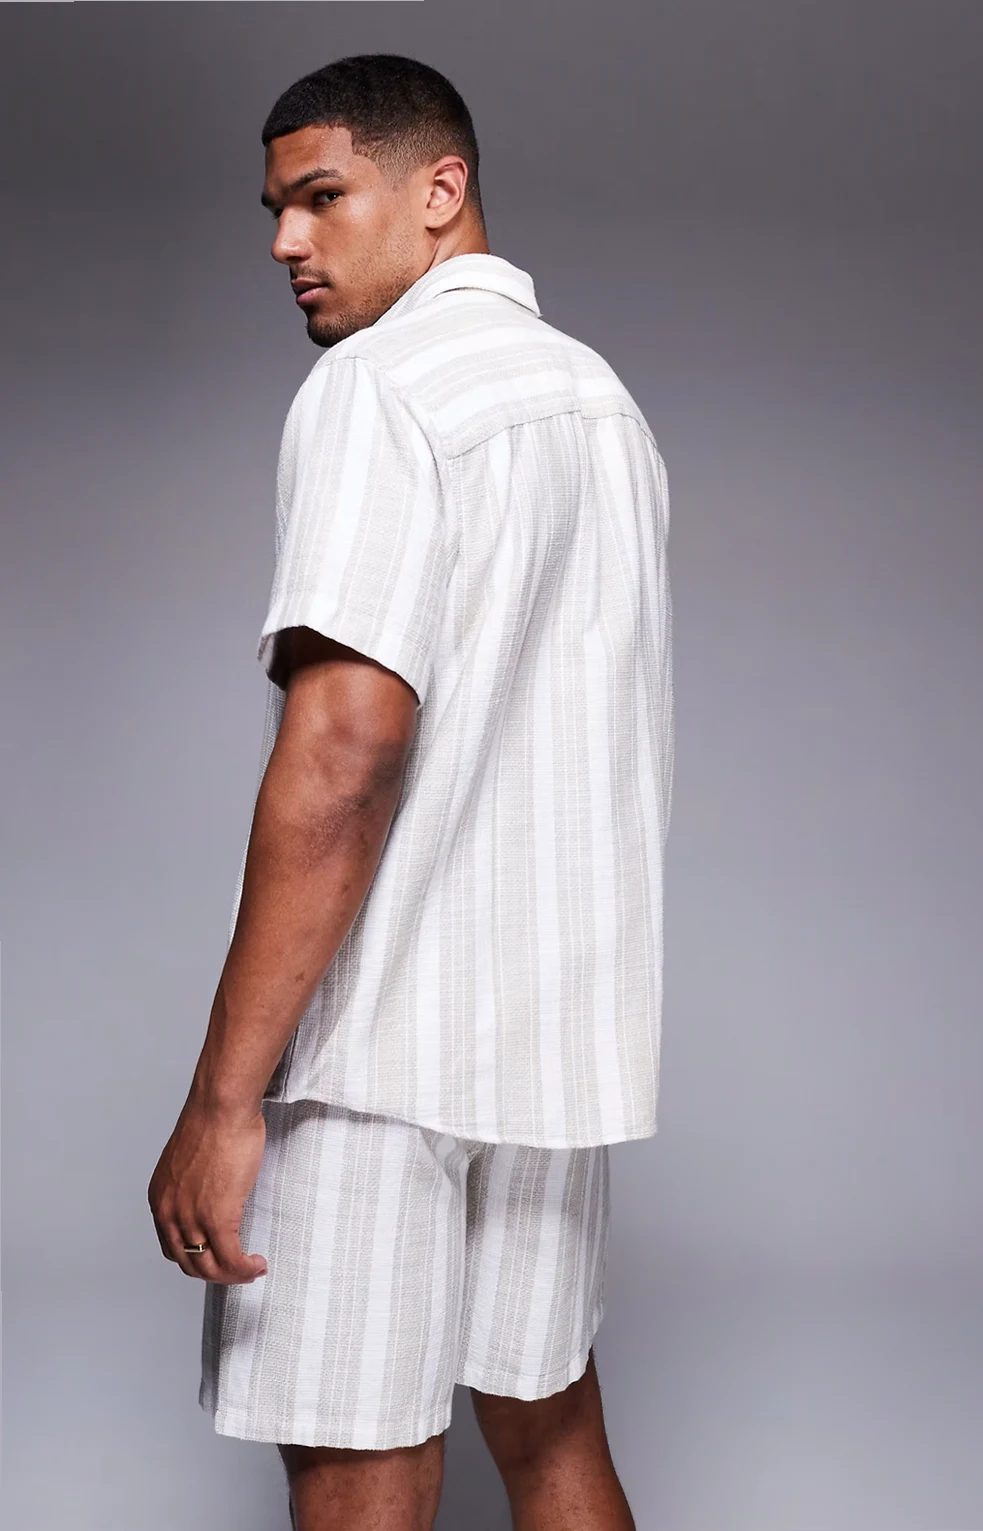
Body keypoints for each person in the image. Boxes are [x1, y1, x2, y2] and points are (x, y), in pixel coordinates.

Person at [146, 52, 674, 1531]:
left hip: (378, 1056)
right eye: (275, 209)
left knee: (360, 1463)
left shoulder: (377, 390)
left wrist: (223, 1100)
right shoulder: (600, 404)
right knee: (552, 1435)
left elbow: (346, 750)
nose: (285, 242)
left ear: (443, 190)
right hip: (554, 1052)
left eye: (322, 198)